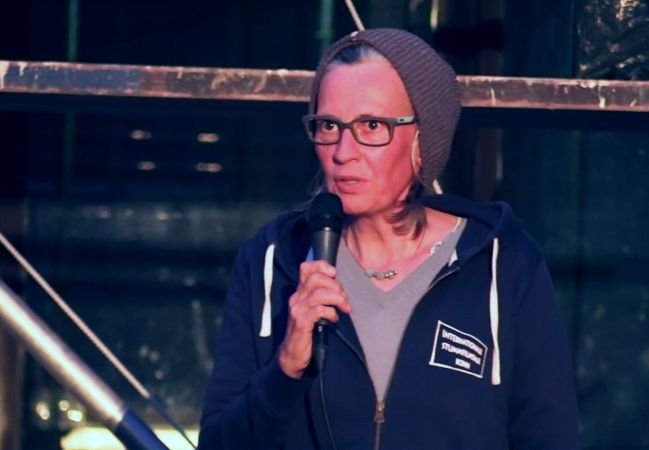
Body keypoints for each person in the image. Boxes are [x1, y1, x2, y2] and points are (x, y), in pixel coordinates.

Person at [198, 28, 579, 449]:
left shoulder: (502, 264)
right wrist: (285, 369)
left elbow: (550, 438)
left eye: (372, 125)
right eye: (329, 125)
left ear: (424, 137)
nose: (343, 151)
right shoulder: (273, 261)